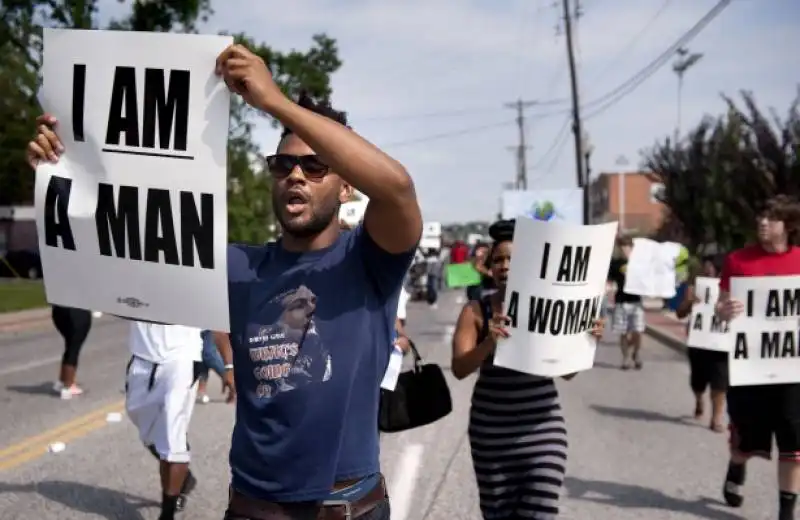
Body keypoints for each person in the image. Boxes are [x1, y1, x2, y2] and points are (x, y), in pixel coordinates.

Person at [26, 43, 421, 519]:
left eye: (315, 166)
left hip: (348, 507)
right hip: (251, 508)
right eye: (283, 165)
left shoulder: (370, 259)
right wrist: (62, 173)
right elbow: (113, 270)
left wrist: (273, 102)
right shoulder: (237, 267)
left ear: (346, 184)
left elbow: (397, 188)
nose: (296, 174)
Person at [451, 219, 605, 520]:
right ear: (489, 268)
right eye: (498, 260)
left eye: (513, 259)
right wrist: (489, 344)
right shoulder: (475, 311)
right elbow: (459, 368)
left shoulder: (551, 309)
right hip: (492, 432)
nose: (505, 266)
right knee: (499, 514)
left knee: (541, 511)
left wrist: (584, 339)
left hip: (543, 427)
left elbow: (568, 374)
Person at [715, 195, 800, 520]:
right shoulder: (738, 261)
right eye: (761, 216)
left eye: (772, 218)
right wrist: (724, 311)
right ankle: (736, 467)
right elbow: (721, 311)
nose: (763, 223)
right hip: (750, 368)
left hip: (792, 370)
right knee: (744, 440)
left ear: (788, 226)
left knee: (794, 445)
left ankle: (786, 511)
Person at [125, 321, 233, 519]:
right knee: (148, 433)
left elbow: (215, 320)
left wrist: (228, 366)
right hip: (142, 356)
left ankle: (167, 514)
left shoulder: (195, 288)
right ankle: (184, 477)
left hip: (182, 359)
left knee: (171, 440)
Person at [675, 254, 727, 432]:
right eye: (705, 267)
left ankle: (717, 418)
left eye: (710, 267)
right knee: (697, 381)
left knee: (720, 382)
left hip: (721, 343)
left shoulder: (730, 288)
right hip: (698, 342)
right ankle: (699, 399)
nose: (707, 271)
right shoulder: (694, 288)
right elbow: (680, 314)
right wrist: (689, 302)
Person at [608, 236, 645, 369]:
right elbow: (608, 280)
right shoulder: (615, 263)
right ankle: (626, 358)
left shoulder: (639, 263)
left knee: (638, 331)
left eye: (628, 246)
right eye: (623, 246)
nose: (625, 249)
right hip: (621, 301)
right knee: (622, 332)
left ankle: (636, 352)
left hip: (636, 301)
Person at [51, 305, 92, 399]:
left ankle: (62, 381)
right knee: (74, 346)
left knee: (70, 344)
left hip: (59, 309)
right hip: (76, 310)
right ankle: (68, 385)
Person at [197, 330, 237, 404]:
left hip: (209, 326)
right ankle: (202, 388)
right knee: (201, 352)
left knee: (208, 353)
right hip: (195, 327)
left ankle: (232, 382)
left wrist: (228, 369)